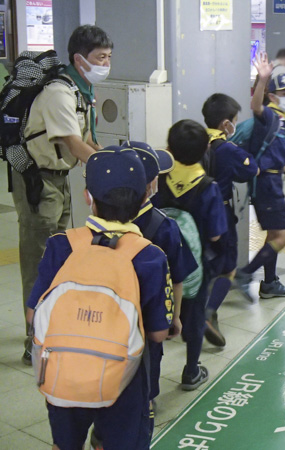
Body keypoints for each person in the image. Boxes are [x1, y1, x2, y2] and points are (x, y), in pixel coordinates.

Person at [26, 147, 173, 450]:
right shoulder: (150, 256)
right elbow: (159, 332)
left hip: (63, 374)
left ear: (87, 196)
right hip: (123, 380)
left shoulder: (60, 246)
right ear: (145, 196)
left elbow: (32, 314)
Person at [17, 25, 112, 365]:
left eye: (109, 57)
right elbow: (72, 143)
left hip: (57, 177)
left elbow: (88, 140)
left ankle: (49, 323)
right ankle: (34, 339)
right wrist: (105, 168)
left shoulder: (82, 90)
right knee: (40, 257)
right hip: (36, 178)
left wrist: (109, 157)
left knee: (60, 253)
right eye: (100, 57)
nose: (106, 63)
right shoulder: (59, 93)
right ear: (78, 59)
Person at [154, 120, 228, 390]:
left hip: (160, 266)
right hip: (194, 268)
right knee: (195, 317)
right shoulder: (208, 186)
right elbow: (216, 235)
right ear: (205, 150)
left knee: (156, 314)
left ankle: (151, 378)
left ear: (169, 148)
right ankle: (191, 371)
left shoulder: (160, 179)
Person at [123, 141, 197, 402]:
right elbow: (177, 279)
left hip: (110, 319)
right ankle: (143, 412)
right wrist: (174, 318)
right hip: (149, 321)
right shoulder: (165, 227)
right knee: (145, 378)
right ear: (150, 184)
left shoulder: (100, 224)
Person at [235, 52, 285, 300]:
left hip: (273, 179)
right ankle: (246, 274)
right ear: (273, 97)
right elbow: (255, 106)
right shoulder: (270, 115)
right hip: (265, 184)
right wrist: (262, 79)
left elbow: (274, 151)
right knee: (284, 235)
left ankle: (270, 282)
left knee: (273, 235)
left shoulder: (284, 119)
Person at [202, 94, 259, 345]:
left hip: (194, 213)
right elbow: (251, 170)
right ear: (227, 124)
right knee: (227, 268)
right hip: (221, 214)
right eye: (235, 121)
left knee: (202, 265)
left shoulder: (195, 142)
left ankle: (191, 313)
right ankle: (207, 312)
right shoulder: (227, 149)